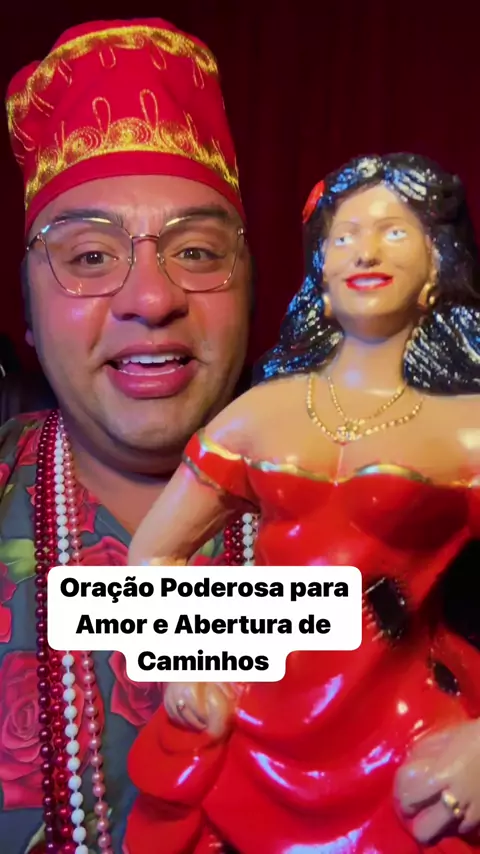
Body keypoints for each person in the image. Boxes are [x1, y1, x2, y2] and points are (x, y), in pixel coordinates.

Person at [125, 154, 480, 853]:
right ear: (320, 269)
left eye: (393, 231)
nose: (365, 252)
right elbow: (153, 553)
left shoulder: (468, 431)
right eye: (344, 236)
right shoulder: (259, 415)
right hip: (246, 721)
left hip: (402, 735)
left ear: (438, 264)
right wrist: (185, 659)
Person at [0, 17, 253, 854]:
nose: (151, 298)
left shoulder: (377, 498)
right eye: (90, 257)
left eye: (198, 250)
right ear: (28, 310)